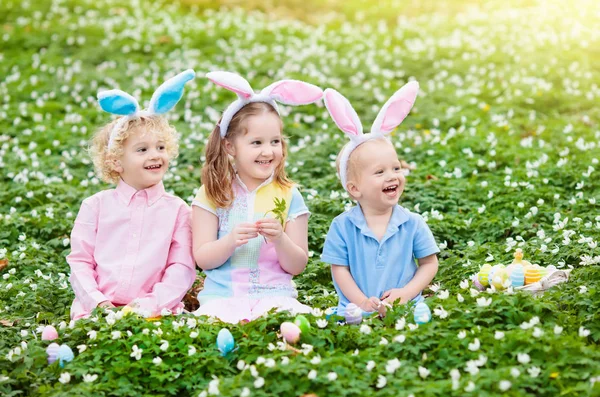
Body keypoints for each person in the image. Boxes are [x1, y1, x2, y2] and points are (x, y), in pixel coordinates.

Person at [192, 71, 323, 323]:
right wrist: (230, 241)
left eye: (275, 141)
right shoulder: (213, 191)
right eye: (256, 143)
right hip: (223, 297)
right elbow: (203, 259)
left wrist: (280, 239)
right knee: (217, 323)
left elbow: (297, 266)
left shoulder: (289, 194)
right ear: (230, 146)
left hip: (276, 295)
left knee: (289, 321)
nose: (268, 151)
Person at [67, 70, 197, 320]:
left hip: (156, 312)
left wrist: (149, 306)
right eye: (142, 149)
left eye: (161, 147)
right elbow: (80, 261)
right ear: (116, 161)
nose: (155, 155)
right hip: (94, 311)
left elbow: (180, 268)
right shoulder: (95, 206)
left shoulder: (178, 210)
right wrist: (98, 303)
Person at [320, 82, 439, 316]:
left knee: (422, 319)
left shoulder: (412, 222)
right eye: (379, 172)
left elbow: (429, 263)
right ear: (354, 189)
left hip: (406, 307)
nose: (392, 176)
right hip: (356, 309)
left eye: (396, 168)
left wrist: (405, 294)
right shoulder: (343, 226)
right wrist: (363, 302)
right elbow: (339, 270)